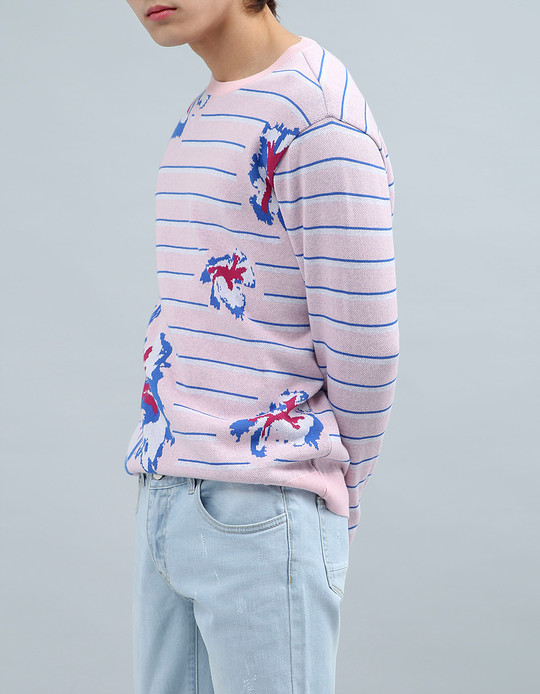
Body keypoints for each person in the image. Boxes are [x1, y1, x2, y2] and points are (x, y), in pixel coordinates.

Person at [123, 1, 399, 692]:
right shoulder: (203, 112)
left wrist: (326, 500)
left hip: (265, 506)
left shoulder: (319, 117)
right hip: (168, 494)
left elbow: (366, 350)